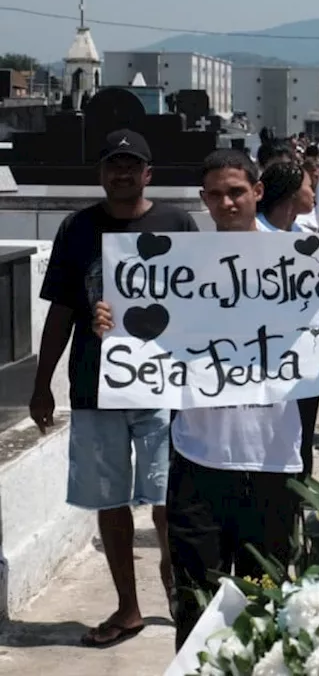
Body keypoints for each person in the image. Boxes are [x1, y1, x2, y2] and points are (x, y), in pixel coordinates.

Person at [91, 150, 319, 650]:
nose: (227, 201)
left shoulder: (303, 260)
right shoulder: (176, 266)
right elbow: (147, 342)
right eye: (215, 193)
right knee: (197, 605)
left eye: (236, 190)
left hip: (275, 458)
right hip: (197, 457)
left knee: (269, 604)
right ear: (203, 200)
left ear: (257, 191)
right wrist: (113, 324)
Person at [28, 129, 200, 647]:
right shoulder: (76, 228)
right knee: (111, 501)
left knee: (168, 498)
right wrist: (43, 385)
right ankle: (128, 607)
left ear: (149, 173)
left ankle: (179, 588)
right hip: (94, 387)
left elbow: (202, 302)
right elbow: (60, 311)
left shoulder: (178, 223)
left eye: (131, 165)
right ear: (101, 172)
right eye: (112, 164)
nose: (121, 173)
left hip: (163, 386)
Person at [256, 161, 312, 233]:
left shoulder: (304, 234)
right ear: (293, 191)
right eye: (309, 186)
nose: (313, 194)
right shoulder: (252, 229)